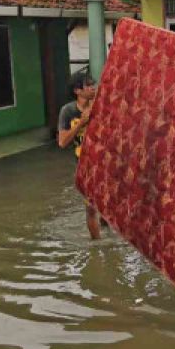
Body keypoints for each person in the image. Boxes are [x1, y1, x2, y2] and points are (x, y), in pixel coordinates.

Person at [57, 69, 101, 239]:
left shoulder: (101, 105)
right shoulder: (68, 112)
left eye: (93, 84)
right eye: (88, 85)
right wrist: (81, 123)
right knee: (90, 208)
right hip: (85, 167)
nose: (93, 88)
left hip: (104, 164)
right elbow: (62, 142)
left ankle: (107, 229)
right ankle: (97, 247)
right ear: (77, 91)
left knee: (107, 205)